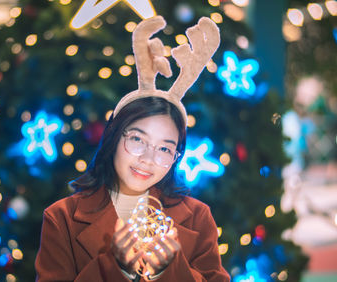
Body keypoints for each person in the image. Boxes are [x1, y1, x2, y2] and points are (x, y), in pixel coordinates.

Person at [35, 16, 230, 282]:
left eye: (164, 149)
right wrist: (117, 268)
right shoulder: (63, 218)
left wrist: (170, 270)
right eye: (138, 140)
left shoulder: (197, 217)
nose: (148, 159)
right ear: (114, 137)